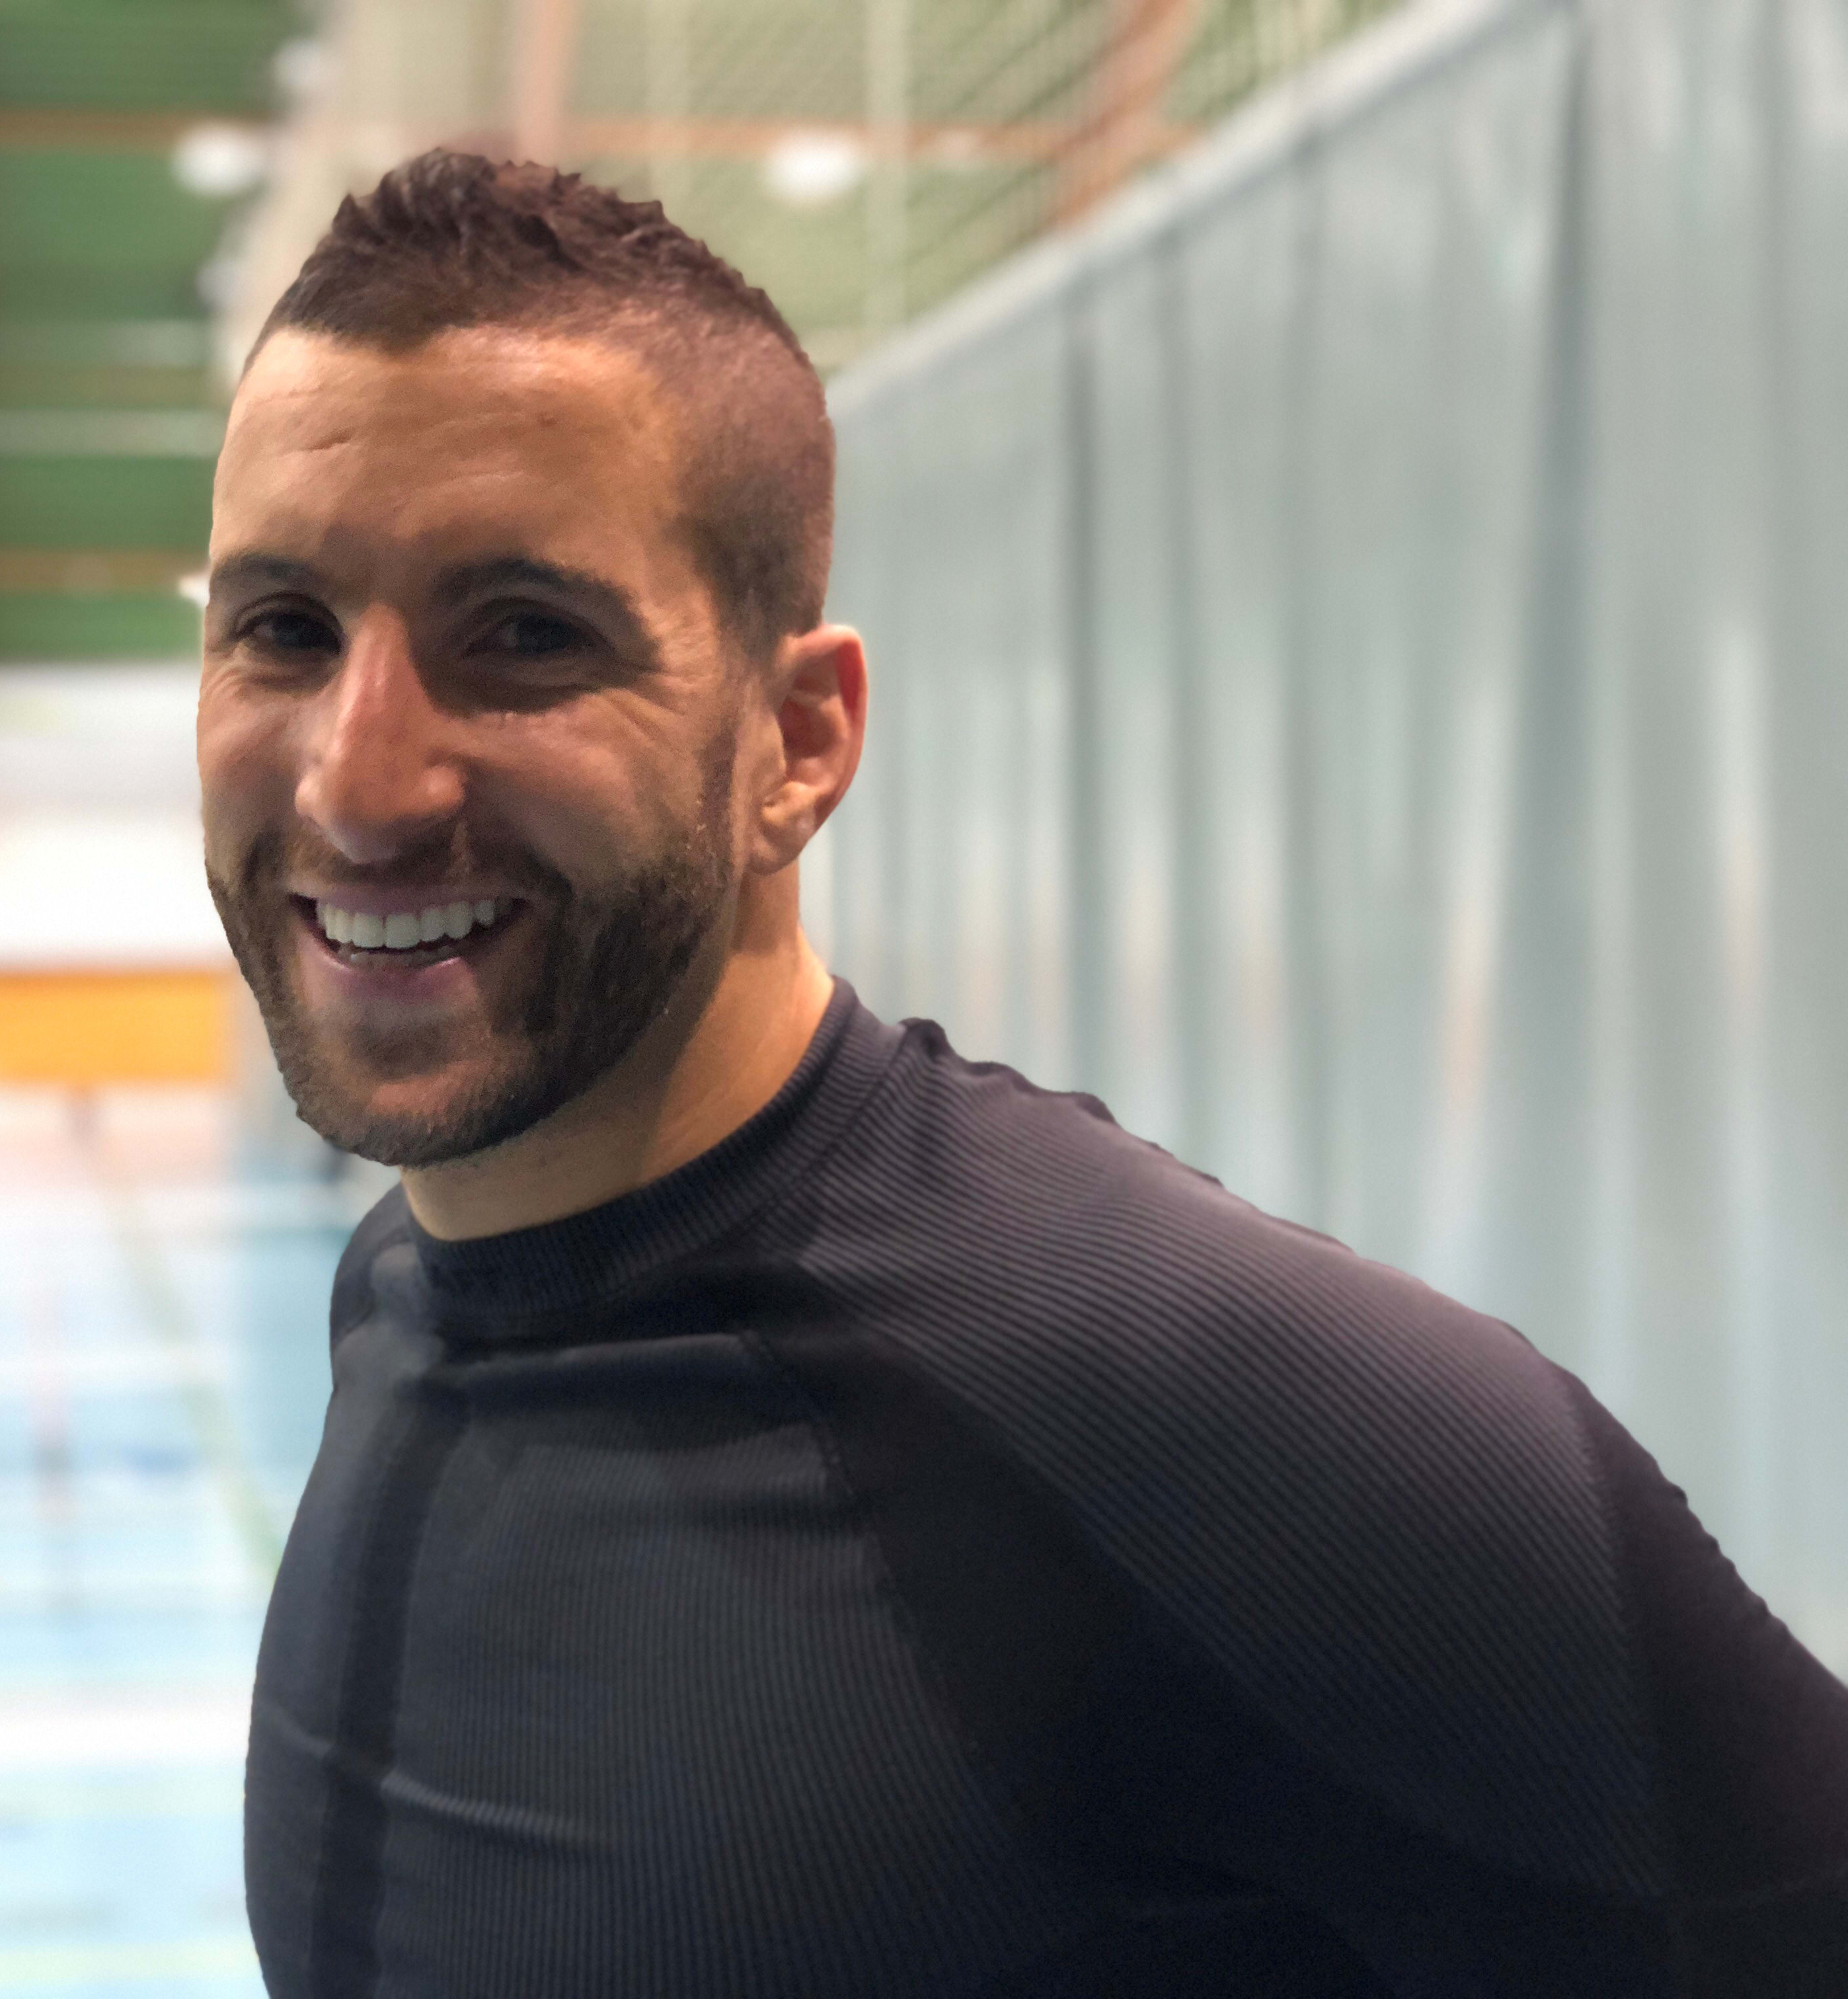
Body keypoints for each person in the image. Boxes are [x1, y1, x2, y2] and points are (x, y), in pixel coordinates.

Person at [198, 152, 1848, 1997]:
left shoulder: (1216, 1413)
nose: (359, 781)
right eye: (284, 628)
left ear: (797, 744)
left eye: (524, 636)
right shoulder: (403, 1292)